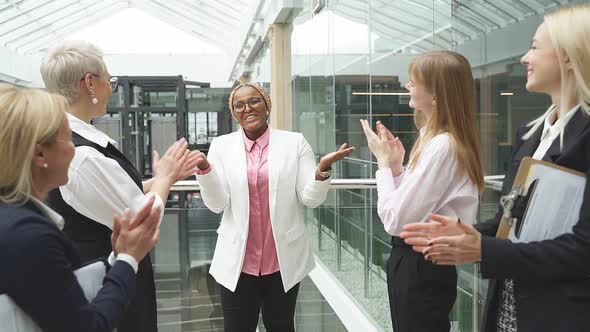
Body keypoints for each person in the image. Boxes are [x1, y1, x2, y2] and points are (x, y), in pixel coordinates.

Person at [400, 4, 590, 332]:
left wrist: (483, 248)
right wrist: (472, 232)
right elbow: (515, 221)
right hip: (511, 306)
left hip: (561, 312)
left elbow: (583, 248)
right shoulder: (531, 135)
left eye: (534, 47)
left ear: (570, 57)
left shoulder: (582, 138)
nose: (524, 58)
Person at [40, 40, 199, 332]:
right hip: (109, 287)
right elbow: (143, 219)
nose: (111, 89)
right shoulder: (82, 154)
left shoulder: (78, 144)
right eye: (108, 80)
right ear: (90, 82)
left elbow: (111, 191)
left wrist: (164, 177)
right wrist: (163, 177)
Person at [0, 84, 162, 332]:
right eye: (67, 138)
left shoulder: (16, 221)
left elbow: (54, 292)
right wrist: (128, 260)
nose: (75, 148)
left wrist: (116, 258)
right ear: (40, 155)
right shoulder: (28, 235)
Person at [193, 83, 354, 331]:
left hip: (281, 262)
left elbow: (310, 198)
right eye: (239, 105)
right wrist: (205, 171)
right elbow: (217, 204)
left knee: (281, 326)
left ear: (266, 104)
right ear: (234, 113)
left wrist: (321, 171)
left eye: (254, 101)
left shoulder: (295, 143)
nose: (247, 108)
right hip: (237, 263)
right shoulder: (221, 146)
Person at [360, 51, 484, 332]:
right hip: (421, 262)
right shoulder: (434, 139)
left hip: (421, 262)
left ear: (437, 95)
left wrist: (381, 165)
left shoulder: (441, 145)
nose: (407, 86)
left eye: (414, 82)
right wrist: (395, 168)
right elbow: (416, 204)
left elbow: (395, 219)